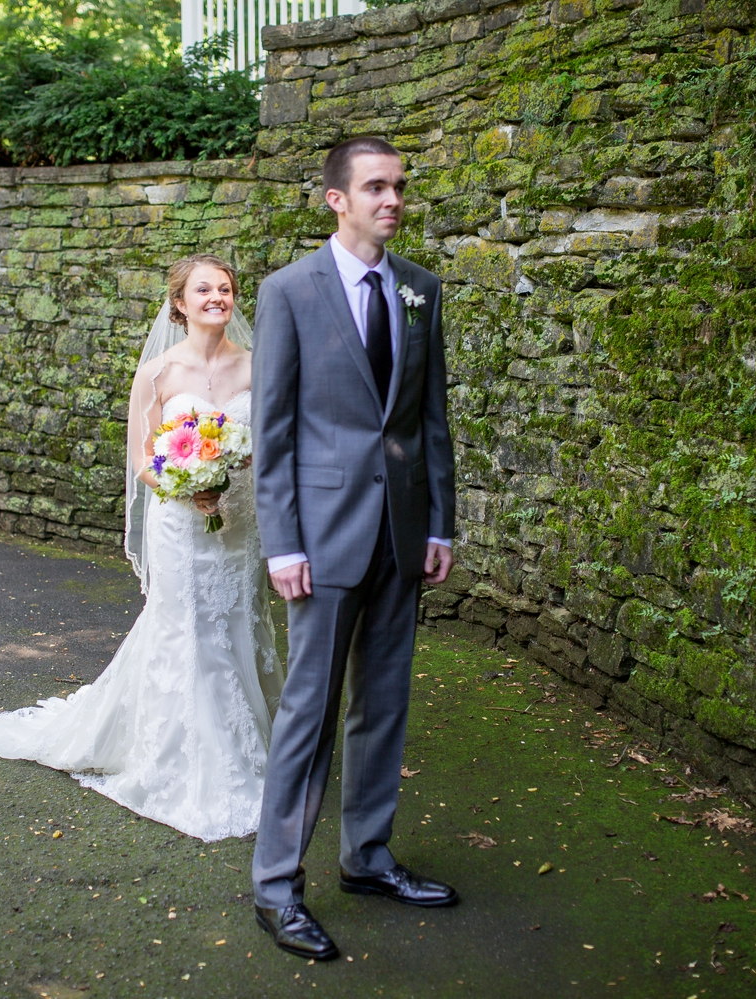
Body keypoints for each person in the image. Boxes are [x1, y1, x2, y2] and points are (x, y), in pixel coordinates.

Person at [0, 254, 284, 842]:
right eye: (204, 289)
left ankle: (249, 741)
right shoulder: (158, 373)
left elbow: (271, 443)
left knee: (236, 620)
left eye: (226, 288)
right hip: (179, 523)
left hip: (239, 523)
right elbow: (142, 460)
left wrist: (233, 473)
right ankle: (184, 758)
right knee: (186, 628)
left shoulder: (256, 366)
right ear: (180, 304)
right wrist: (186, 485)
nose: (218, 297)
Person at [249, 137, 458, 960]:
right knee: (309, 713)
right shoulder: (289, 291)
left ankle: (368, 858)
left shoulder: (420, 289)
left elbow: (430, 417)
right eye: (375, 187)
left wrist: (439, 523)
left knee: (385, 702)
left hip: (401, 531)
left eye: (399, 186)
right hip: (323, 537)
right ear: (336, 198)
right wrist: (282, 543)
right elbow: (273, 429)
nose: (393, 199)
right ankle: (276, 887)